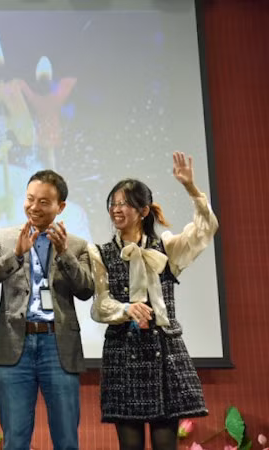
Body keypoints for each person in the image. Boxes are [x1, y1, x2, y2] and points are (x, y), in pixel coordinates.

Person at [88, 152, 218, 450]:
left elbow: (205, 229)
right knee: (130, 446)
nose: (116, 209)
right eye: (113, 203)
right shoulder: (101, 253)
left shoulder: (166, 247)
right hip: (123, 353)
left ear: (144, 210)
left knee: (165, 444)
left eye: (124, 203)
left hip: (165, 351)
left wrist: (191, 187)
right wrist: (126, 309)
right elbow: (99, 305)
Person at [0, 169, 94, 450]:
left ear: (61, 207)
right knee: (15, 440)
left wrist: (65, 253)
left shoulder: (77, 245)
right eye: (30, 199)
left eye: (44, 202)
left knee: (66, 439)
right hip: (13, 345)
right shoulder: (4, 238)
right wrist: (17, 254)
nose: (34, 207)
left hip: (58, 345)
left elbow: (86, 289)